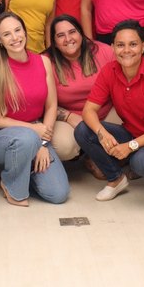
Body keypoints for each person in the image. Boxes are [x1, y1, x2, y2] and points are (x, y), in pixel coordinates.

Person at [75, 20, 144, 202]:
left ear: (143, 47)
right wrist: (102, 134)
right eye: (120, 45)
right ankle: (116, 179)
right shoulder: (109, 71)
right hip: (132, 133)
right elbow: (88, 111)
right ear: (112, 48)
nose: (126, 50)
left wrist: (130, 146)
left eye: (133, 44)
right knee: (83, 130)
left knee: (140, 161)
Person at [0, 12, 69, 206]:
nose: (15, 37)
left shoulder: (43, 62)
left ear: (25, 31)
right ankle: (13, 187)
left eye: (17, 30)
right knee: (26, 139)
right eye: (7, 34)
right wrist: (33, 132)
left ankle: (23, 162)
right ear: (0, 40)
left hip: (36, 133)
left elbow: (52, 105)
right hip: (0, 136)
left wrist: (43, 144)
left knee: (58, 194)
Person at [44, 15, 118, 178]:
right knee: (62, 146)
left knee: (134, 123)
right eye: (60, 35)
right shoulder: (46, 62)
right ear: (54, 41)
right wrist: (69, 116)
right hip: (70, 119)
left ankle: (94, 156)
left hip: (105, 112)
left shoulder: (103, 51)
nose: (68, 39)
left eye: (72, 32)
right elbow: (40, 103)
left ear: (82, 34)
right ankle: (87, 152)